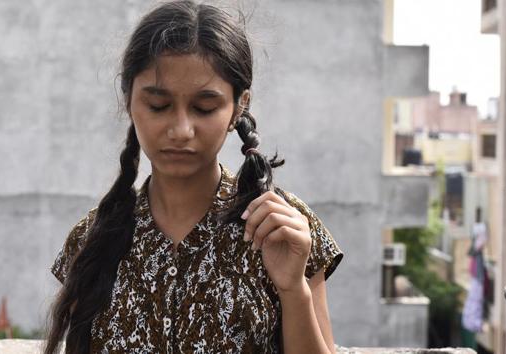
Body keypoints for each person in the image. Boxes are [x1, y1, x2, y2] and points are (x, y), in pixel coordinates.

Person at [44, 1, 344, 353]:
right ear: (129, 100)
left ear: (239, 107)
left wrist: (294, 289)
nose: (181, 129)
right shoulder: (92, 239)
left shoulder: (282, 228)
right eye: (159, 105)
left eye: (204, 107)